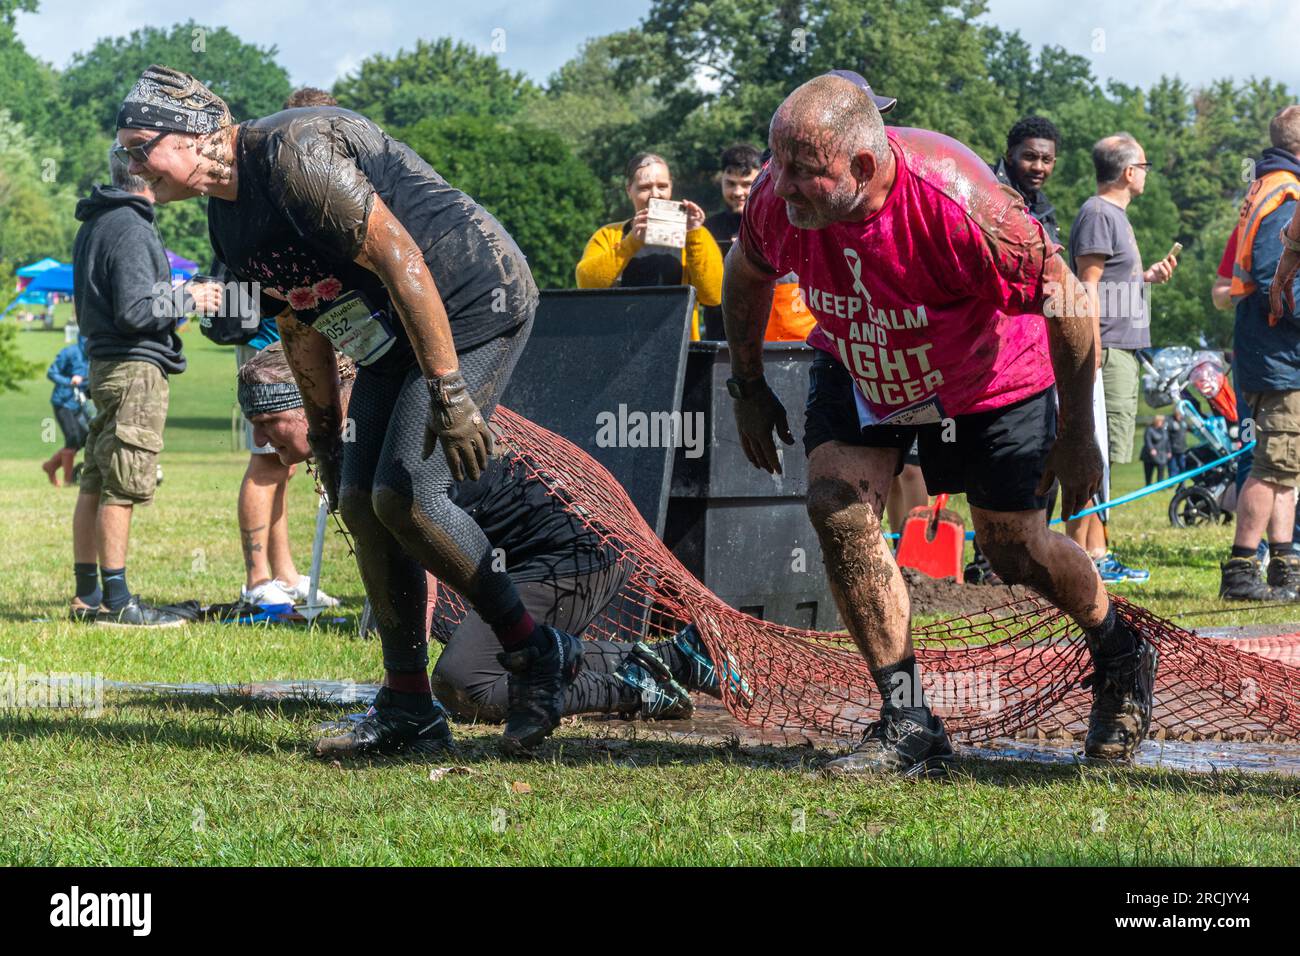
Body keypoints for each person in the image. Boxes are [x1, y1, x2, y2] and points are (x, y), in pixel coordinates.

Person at [116, 64, 577, 755]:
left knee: (409, 498)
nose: (127, 164)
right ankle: (408, 709)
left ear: (190, 134)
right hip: (392, 334)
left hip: (472, 302)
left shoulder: (292, 156)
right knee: (359, 502)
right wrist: (328, 443)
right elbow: (303, 323)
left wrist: (451, 394)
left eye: (136, 146)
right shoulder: (227, 218)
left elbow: (399, 257)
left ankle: (535, 652)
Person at [724, 74, 1158, 776]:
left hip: (988, 375)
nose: (784, 189)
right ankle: (907, 718)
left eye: (805, 174)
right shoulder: (779, 201)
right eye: (781, 170)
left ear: (863, 165)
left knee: (1012, 549)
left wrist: (1079, 435)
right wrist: (745, 384)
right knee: (836, 506)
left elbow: (1070, 305)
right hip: (863, 357)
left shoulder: (961, 203)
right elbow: (747, 273)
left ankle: (1120, 650)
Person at [236, 343, 726, 729]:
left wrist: (403, 688)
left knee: (465, 685)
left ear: (306, 402)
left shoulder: (375, 424)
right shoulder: (367, 415)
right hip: (528, 556)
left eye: (266, 422)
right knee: (478, 668)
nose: (260, 440)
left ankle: (640, 681)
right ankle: (672, 656)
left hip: (571, 553)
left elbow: (414, 567)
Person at [69, 145, 223, 626]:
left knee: (95, 477)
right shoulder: (131, 226)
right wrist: (191, 296)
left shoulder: (98, 221)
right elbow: (136, 311)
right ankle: (119, 604)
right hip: (134, 370)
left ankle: (88, 595)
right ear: (148, 173)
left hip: (106, 367)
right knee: (123, 481)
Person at [221, 86, 343, 610]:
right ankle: (256, 582)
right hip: (270, 341)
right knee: (268, 457)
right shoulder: (270, 181)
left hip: (311, 337)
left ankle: (286, 574)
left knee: (289, 462)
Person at [1066, 133, 1179, 585]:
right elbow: (1087, 287)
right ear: (1130, 171)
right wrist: (1091, 350)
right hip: (1106, 351)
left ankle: (1097, 554)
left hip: (1119, 350)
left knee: (1106, 460)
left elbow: (1109, 283)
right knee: (1092, 454)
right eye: (1145, 167)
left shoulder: (1114, 216)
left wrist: (1146, 277)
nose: (1146, 175)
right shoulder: (1098, 213)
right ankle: (1076, 559)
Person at [1218, 105, 1300, 601]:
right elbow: (1280, 279)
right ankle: (1242, 571)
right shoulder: (1288, 195)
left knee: (1287, 463)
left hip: (1266, 347)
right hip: (1277, 351)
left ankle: (1286, 567)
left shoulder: (1266, 185)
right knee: (1271, 465)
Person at [575, 152, 722, 340]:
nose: (655, 194)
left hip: (677, 345)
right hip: (619, 341)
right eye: (644, 187)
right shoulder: (609, 235)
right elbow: (586, 283)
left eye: (662, 186)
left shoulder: (694, 236)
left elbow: (713, 295)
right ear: (629, 190)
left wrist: (694, 232)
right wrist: (631, 243)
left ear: (671, 187)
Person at [990, 116, 1062, 247]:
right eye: (1029, 157)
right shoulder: (986, 186)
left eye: (1046, 160)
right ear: (1010, 156)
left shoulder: (1045, 213)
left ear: (1054, 163)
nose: (1038, 167)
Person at [41, 336, 91, 487]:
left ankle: (50, 466)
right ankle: (69, 481)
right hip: (62, 403)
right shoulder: (69, 352)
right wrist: (69, 381)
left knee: (86, 438)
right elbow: (51, 372)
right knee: (73, 438)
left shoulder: (95, 355)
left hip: (79, 404)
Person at [1140, 414, 1170, 485]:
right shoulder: (1149, 429)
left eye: (1163, 421)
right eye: (1161, 421)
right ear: (1156, 421)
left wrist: (1169, 451)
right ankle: (1148, 486)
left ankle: (1160, 486)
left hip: (1161, 454)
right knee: (1149, 472)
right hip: (1150, 456)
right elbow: (1147, 441)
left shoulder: (1164, 430)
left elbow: (1167, 441)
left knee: (1161, 470)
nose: (1162, 423)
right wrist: (1151, 449)